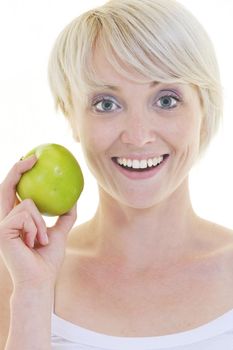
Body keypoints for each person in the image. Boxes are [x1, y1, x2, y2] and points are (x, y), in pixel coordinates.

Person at [0, 0, 233, 349]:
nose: (138, 136)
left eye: (166, 100)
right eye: (106, 104)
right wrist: (33, 293)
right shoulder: (18, 277)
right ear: (71, 116)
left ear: (205, 109)